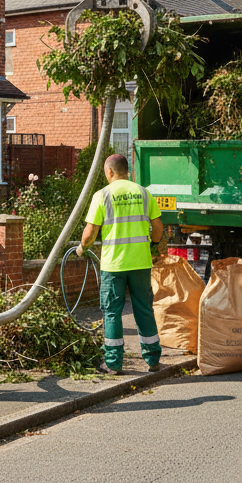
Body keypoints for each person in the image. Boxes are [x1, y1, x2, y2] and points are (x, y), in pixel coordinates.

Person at [80, 153, 164, 374]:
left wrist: (82, 248)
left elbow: (89, 234)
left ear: (109, 172)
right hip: (140, 263)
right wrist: (153, 245)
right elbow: (158, 228)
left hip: (114, 265)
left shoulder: (103, 195)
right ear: (127, 171)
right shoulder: (144, 193)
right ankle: (153, 359)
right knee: (144, 309)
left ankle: (114, 363)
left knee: (112, 312)